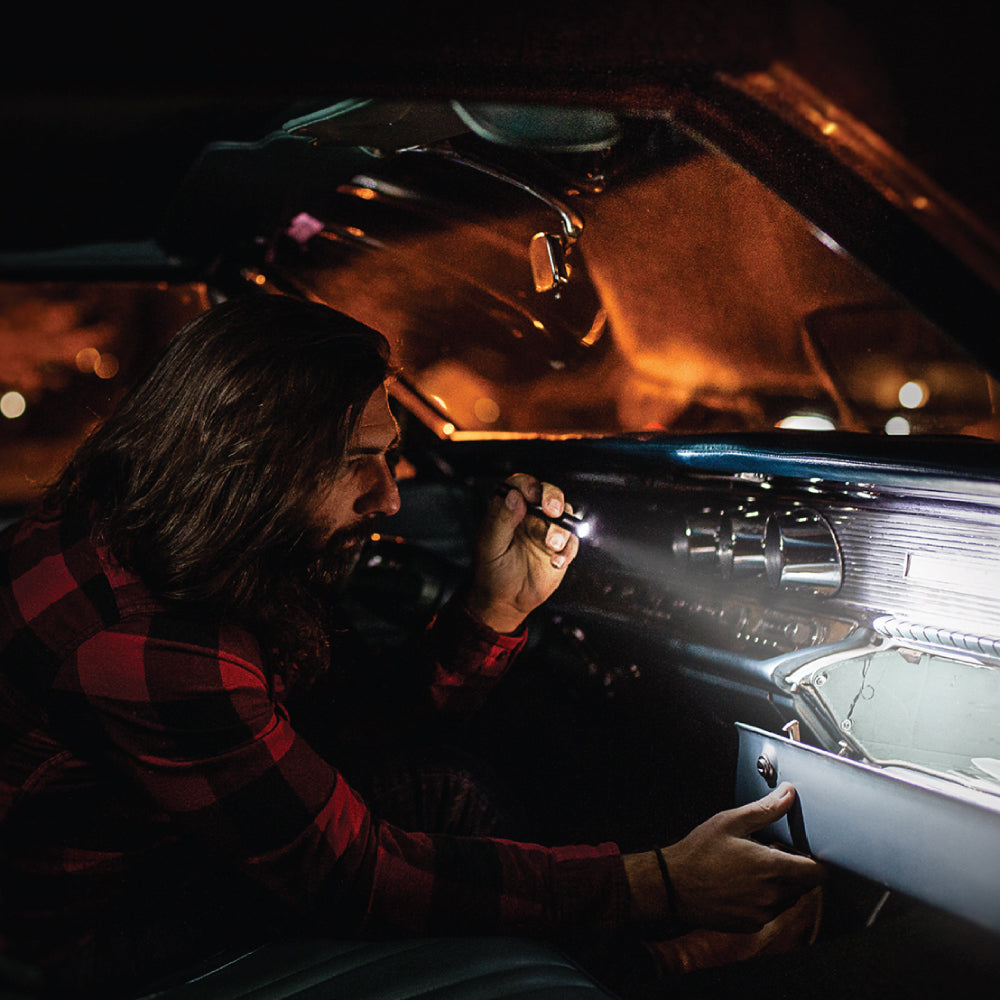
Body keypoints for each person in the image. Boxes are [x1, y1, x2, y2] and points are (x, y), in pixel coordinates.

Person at [0, 295, 823, 997]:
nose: (391, 498)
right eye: (362, 462)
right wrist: (661, 881)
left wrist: (490, 612)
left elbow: (336, 726)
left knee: (439, 788)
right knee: (441, 808)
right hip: (85, 946)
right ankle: (646, 975)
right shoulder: (145, 641)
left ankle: (628, 967)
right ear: (250, 465)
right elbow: (357, 879)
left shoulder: (154, 529)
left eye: (392, 457)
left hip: (146, 855)